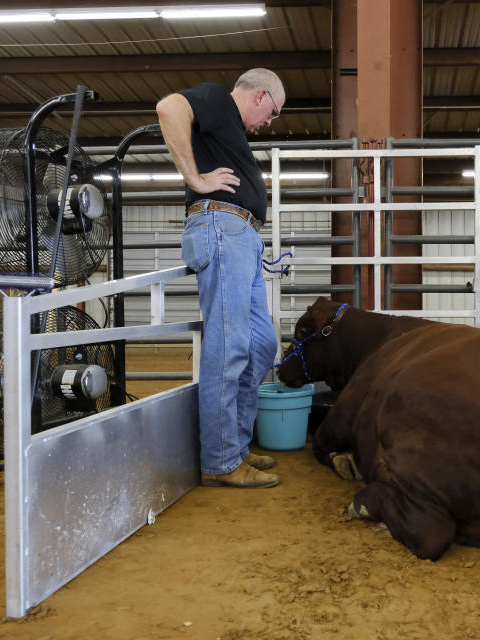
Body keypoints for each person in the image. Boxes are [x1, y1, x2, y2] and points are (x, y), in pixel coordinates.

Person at [156, 69, 285, 488]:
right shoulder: (216, 97)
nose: (269, 123)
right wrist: (195, 179)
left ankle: (236, 446)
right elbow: (168, 107)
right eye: (273, 113)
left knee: (263, 344)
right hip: (222, 227)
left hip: (242, 236)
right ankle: (222, 461)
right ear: (262, 95)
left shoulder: (227, 126)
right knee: (228, 344)